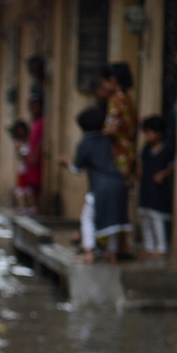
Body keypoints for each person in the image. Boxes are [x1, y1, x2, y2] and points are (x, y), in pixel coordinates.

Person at [61, 104, 129, 262]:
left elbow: (77, 170)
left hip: (100, 186)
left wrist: (67, 163)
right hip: (118, 182)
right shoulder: (106, 141)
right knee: (113, 219)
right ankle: (112, 253)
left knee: (87, 219)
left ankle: (89, 252)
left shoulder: (85, 144)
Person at [137, 115, 176, 259]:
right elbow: (141, 163)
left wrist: (163, 174)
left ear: (159, 134)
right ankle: (149, 247)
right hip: (146, 187)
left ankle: (161, 248)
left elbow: (172, 166)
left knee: (157, 218)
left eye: (149, 133)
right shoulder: (146, 149)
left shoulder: (167, 149)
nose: (147, 136)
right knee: (145, 217)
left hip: (159, 190)